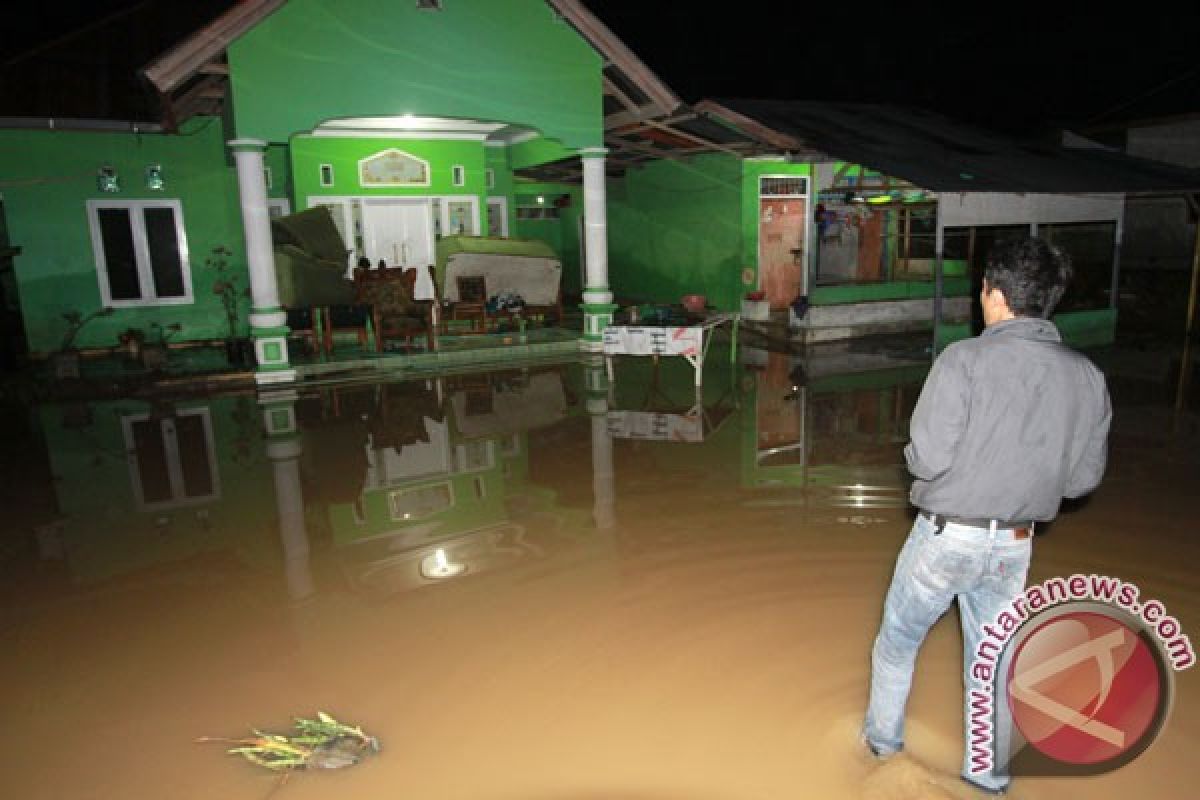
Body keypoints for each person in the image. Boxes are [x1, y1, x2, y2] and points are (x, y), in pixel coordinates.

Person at [861, 237, 1112, 795]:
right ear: (1049, 300)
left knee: (898, 642)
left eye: (983, 289)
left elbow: (926, 457)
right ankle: (988, 778)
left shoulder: (963, 360)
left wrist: (922, 469)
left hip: (945, 538)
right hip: (1015, 547)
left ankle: (882, 749)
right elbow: (1081, 482)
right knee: (993, 663)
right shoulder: (1088, 377)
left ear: (994, 294)